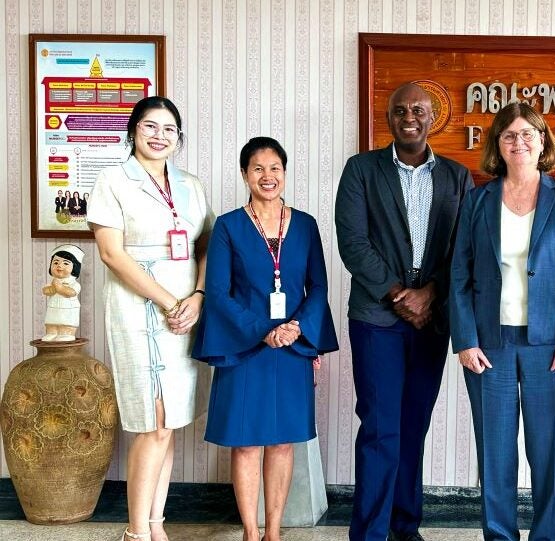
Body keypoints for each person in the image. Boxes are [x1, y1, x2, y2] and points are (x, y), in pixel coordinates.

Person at [334, 82, 474, 541]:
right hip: (377, 319)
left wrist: (431, 294)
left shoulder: (457, 176)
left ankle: (405, 526)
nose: (408, 116)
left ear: (433, 116)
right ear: (388, 117)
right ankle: (370, 532)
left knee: (414, 425)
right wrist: (400, 294)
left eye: (418, 109)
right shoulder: (361, 170)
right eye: (399, 110)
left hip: (432, 321)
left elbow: (464, 248)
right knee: (379, 427)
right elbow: (353, 244)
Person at [449, 101, 555, 541]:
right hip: (489, 343)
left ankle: (548, 535)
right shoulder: (477, 200)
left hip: (549, 345)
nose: (519, 142)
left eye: (528, 134)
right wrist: (465, 340)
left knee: (548, 449)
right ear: (498, 144)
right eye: (509, 135)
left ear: (543, 141)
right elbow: (459, 273)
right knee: (495, 451)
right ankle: (499, 535)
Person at [192, 137, 339, 541]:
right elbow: (218, 293)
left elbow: (319, 287)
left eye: (275, 167)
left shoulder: (306, 224)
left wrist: (296, 329)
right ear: (244, 174)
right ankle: (251, 532)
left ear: (285, 173)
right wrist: (264, 330)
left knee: (282, 443)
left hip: (292, 347)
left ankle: (274, 531)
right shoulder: (228, 226)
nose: (267, 176)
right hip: (244, 347)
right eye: (257, 168)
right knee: (246, 444)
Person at [87, 96, 214, 541]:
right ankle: (137, 532)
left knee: (170, 422)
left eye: (169, 129)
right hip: (137, 310)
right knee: (152, 420)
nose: (159, 136)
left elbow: (205, 246)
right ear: (133, 131)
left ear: (178, 138)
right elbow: (110, 253)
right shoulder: (112, 180)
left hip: (186, 311)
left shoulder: (192, 185)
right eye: (149, 127)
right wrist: (167, 301)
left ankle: (156, 526)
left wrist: (197, 296)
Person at [41, 244, 84, 341]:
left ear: (75, 267)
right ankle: (52, 332)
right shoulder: (53, 282)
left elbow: (71, 293)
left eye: (65, 263)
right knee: (51, 321)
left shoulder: (74, 284)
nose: (59, 266)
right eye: (55, 263)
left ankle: (66, 334)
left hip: (68, 309)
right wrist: (50, 289)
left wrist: (59, 287)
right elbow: (46, 291)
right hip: (53, 308)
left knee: (66, 323)